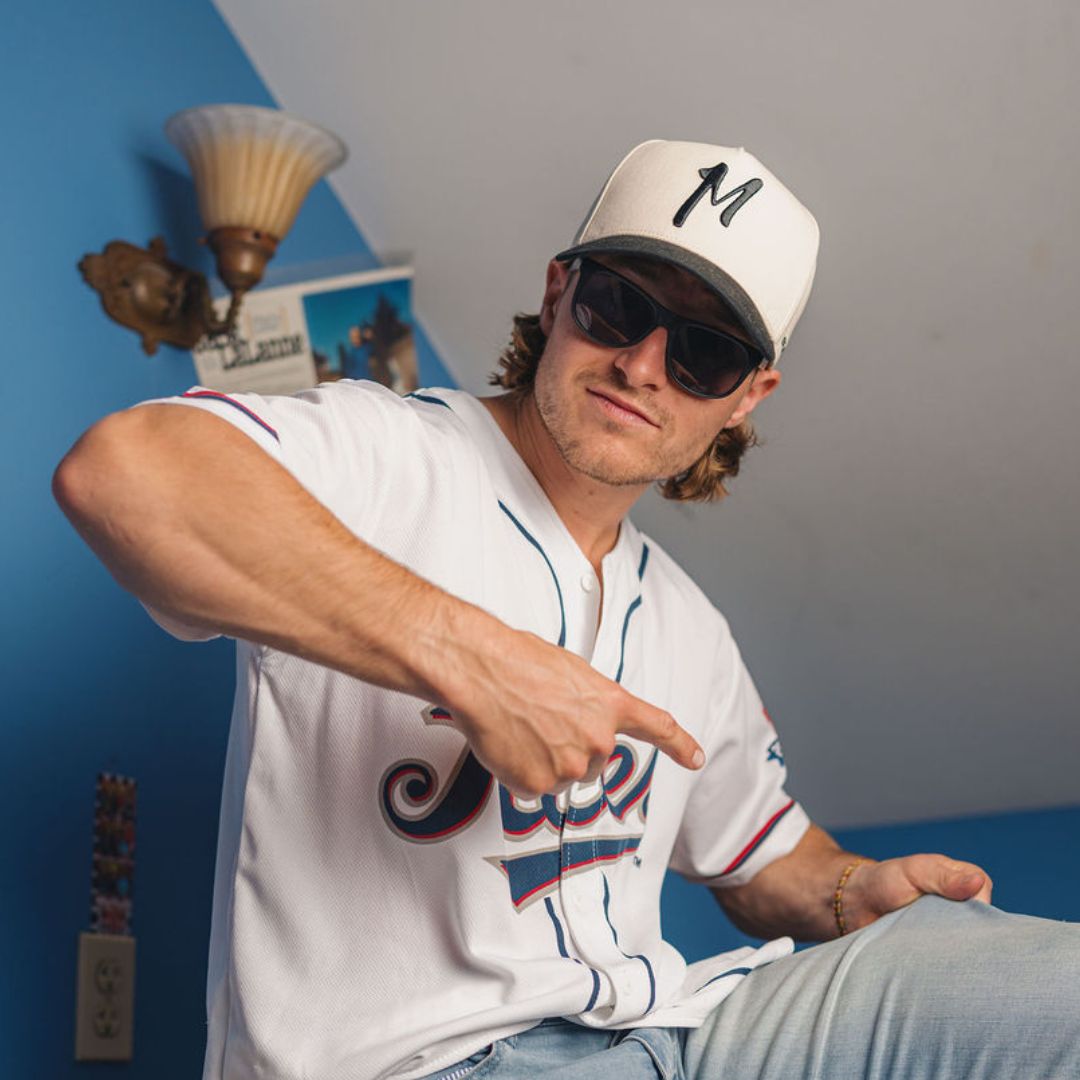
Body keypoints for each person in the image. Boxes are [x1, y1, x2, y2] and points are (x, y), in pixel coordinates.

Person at [53, 141, 1080, 1080]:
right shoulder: (388, 455)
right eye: (618, 308)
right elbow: (128, 475)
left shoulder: (691, 628)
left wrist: (859, 892)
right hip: (418, 1062)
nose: (641, 365)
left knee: (1032, 986)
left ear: (749, 394)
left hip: (682, 1032)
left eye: (703, 352)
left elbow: (770, 856)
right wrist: (466, 652)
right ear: (558, 295)